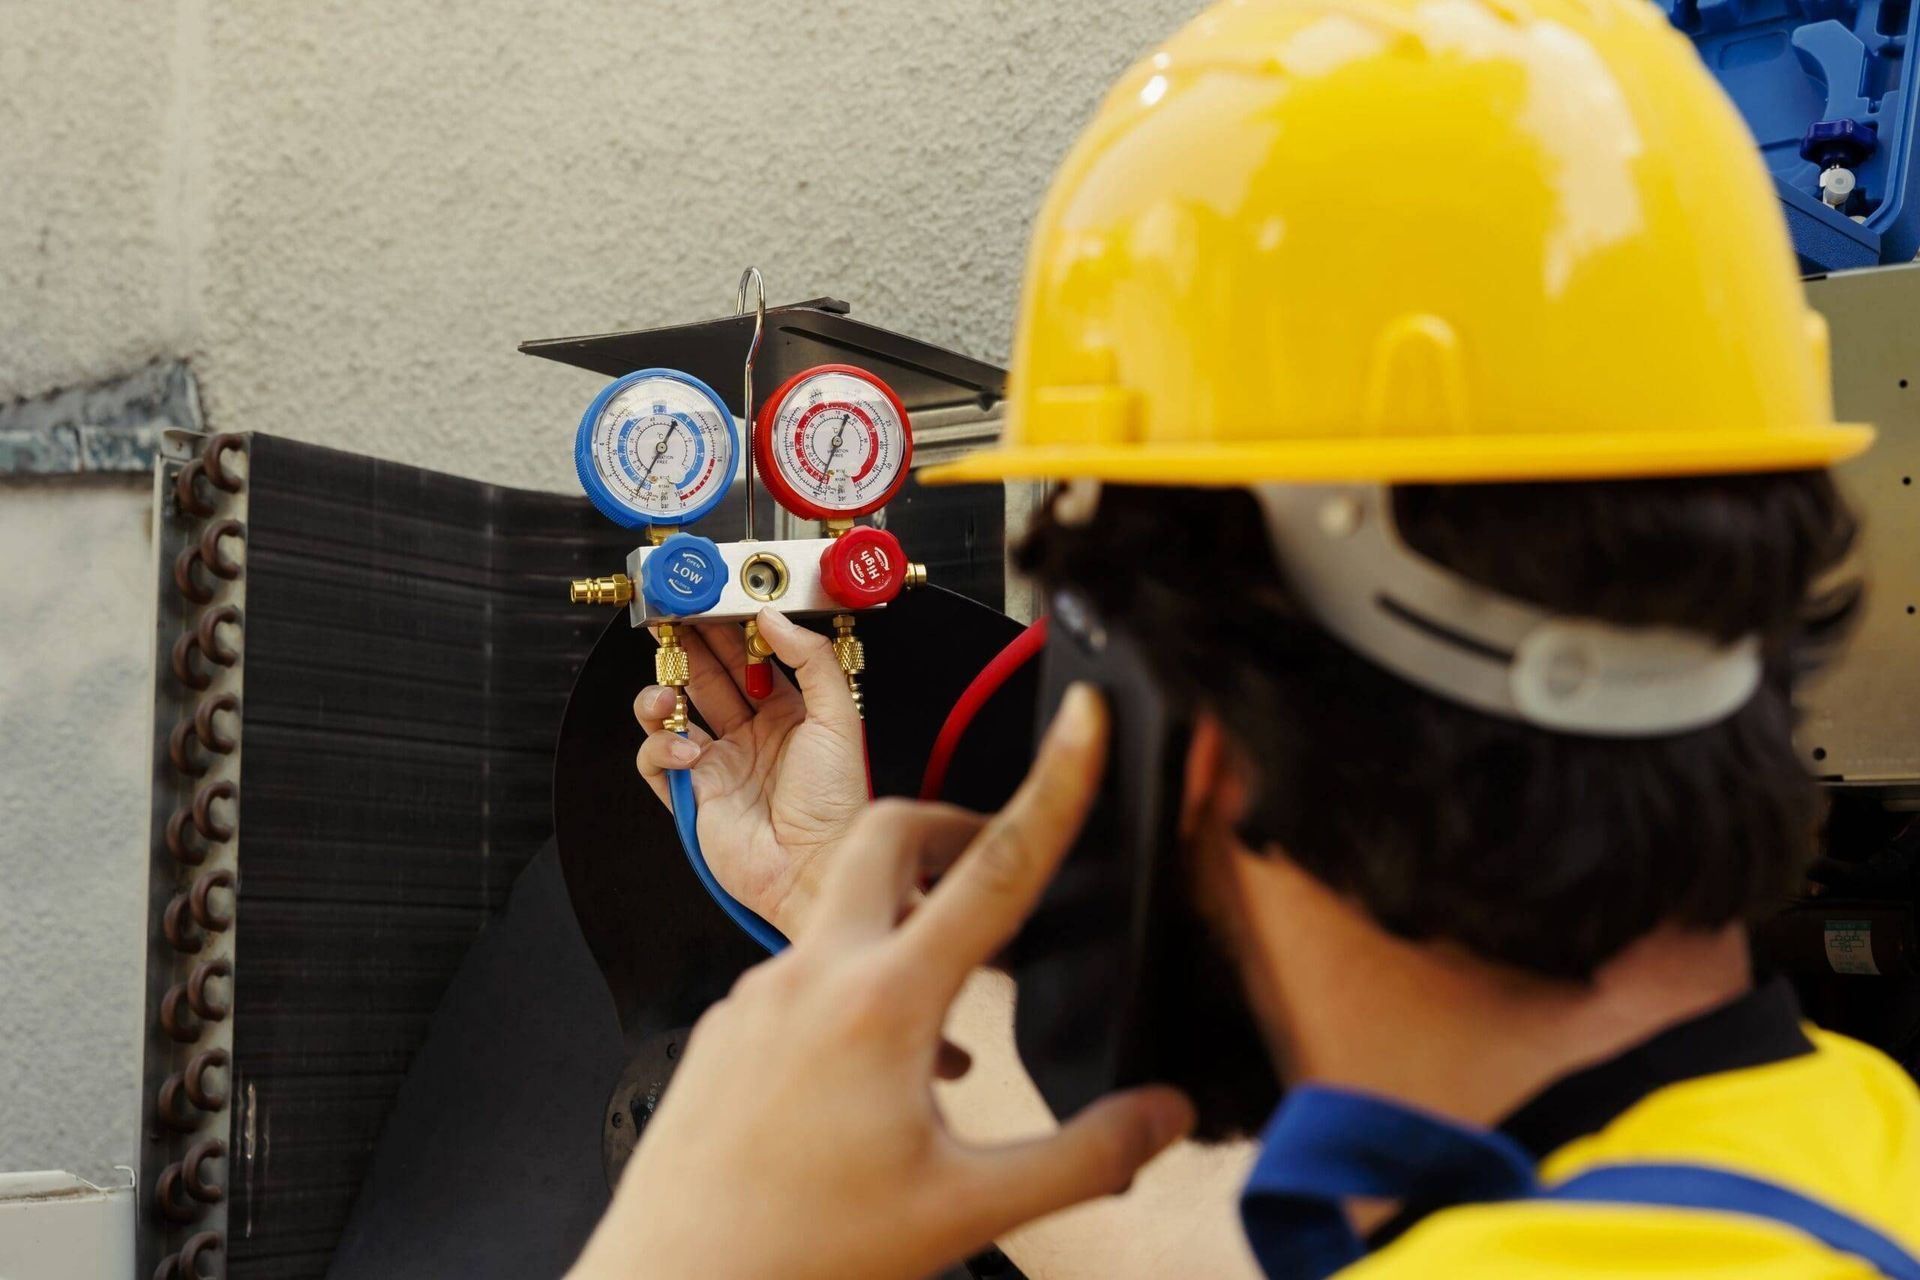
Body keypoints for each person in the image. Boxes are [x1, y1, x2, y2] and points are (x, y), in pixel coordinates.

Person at [568, 0, 1920, 1275]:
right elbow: (1223, 1246)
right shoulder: (1836, 1157)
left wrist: (687, 1239)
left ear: (1179, 729)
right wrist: (831, 894)